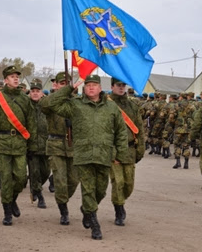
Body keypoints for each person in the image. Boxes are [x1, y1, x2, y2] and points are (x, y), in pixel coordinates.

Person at [47, 74, 128, 240]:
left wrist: (121, 153)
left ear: (100, 88)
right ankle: (94, 222)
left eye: (94, 85)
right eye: (88, 84)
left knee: (101, 191)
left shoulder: (111, 108)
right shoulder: (75, 105)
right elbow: (52, 104)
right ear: (84, 88)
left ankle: (87, 209)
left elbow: (120, 131)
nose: (91, 87)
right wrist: (69, 88)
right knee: (88, 189)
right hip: (83, 155)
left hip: (104, 155)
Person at [0, 65, 37, 226]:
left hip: (20, 143)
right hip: (2, 142)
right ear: (5, 80)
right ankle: (7, 212)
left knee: (20, 178)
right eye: (12, 76)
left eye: (17, 76)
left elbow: (31, 123)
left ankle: (12, 200)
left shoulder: (25, 99)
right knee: (5, 179)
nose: (16, 78)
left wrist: (32, 145)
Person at [40, 71, 79, 225]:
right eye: (62, 83)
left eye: (67, 83)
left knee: (74, 181)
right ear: (56, 85)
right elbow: (45, 105)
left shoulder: (78, 101)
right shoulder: (50, 101)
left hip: (74, 146)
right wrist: (64, 91)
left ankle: (63, 200)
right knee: (60, 181)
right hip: (56, 145)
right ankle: (63, 209)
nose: (65, 86)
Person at [108, 77, 145, 226]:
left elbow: (140, 129)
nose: (121, 88)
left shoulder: (132, 106)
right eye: (118, 85)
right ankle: (119, 209)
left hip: (130, 149)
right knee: (118, 182)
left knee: (128, 184)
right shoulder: (107, 105)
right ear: (112, 86)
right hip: (114, 150)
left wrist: (140, 149)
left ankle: (121, 202)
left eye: (123, 85)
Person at [27, 79, 50, 208]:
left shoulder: (47, 105)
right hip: (31, 145)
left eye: (38, 91)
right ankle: (40, 196)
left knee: (46, 171)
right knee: (34, 171)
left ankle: (35, 187)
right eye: (33, 91)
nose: (35, 93)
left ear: (42, 93)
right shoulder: (26, 105)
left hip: (46, 144)